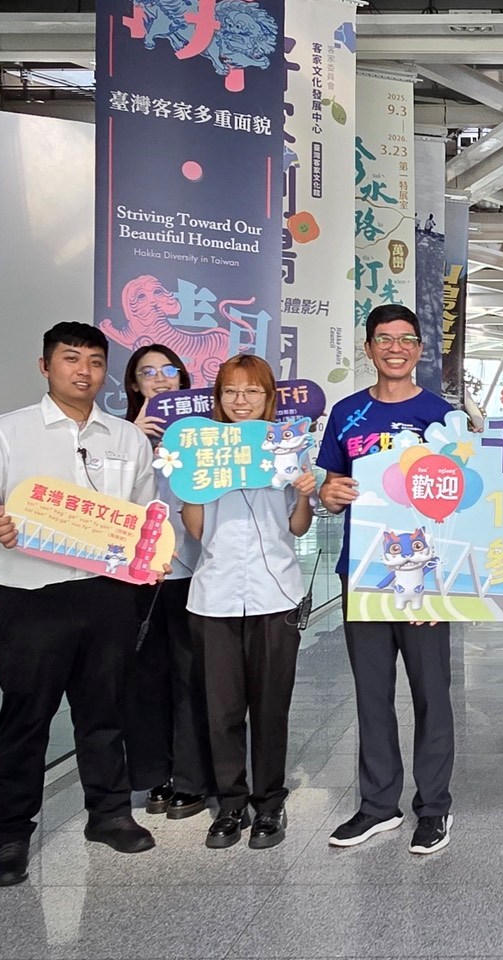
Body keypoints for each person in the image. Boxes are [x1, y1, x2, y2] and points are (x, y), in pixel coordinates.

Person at [0, 322, 160, 887]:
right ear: (45, 366)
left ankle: (109, 813)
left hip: (109, 595)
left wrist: (150, 558)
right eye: (71, 359)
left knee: (104, 711)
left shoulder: (127, 438)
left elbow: (144, 517)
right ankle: (11, 836)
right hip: (33, 596)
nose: (83, 371)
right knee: (26, 717)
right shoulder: (6, 432)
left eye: (95, 361)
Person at [317, 304, 458, 855]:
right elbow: (332, 485)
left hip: (426, 578)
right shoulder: (347, 413)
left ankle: (434, 808)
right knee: (372, 696)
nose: (395, 348)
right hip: (365, 574)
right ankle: (378, 806)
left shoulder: (443, 416)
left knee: (432, 696)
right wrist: (329, 496)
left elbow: (464, 498)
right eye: (384, 339)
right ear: (369, 348)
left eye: (406, 339)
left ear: (420, 349)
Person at [181, 355, 317, 850]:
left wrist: (305, 493)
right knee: (221, 710)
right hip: (214, 596)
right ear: (218, 399)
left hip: (275, 592)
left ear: (269, 399)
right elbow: (196, 531)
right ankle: (230, 805)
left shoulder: (288, 450)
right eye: (231, 392)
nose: (241, 401)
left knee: (270, 706)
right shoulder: (201, 450)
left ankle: (269, 804)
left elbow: (298, 527)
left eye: (252, 392)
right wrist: (190, 486)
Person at [120, 345, 213, 821]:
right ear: (134, 384)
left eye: (169, 371)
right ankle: (153, 774)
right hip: (133, 577)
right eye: (147, 372)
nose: (160, 379)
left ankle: (193, 778)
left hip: (192, 574)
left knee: (190, 675)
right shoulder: (117, 437)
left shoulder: (206, 435)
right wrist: (131, 442)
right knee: (143, 679)